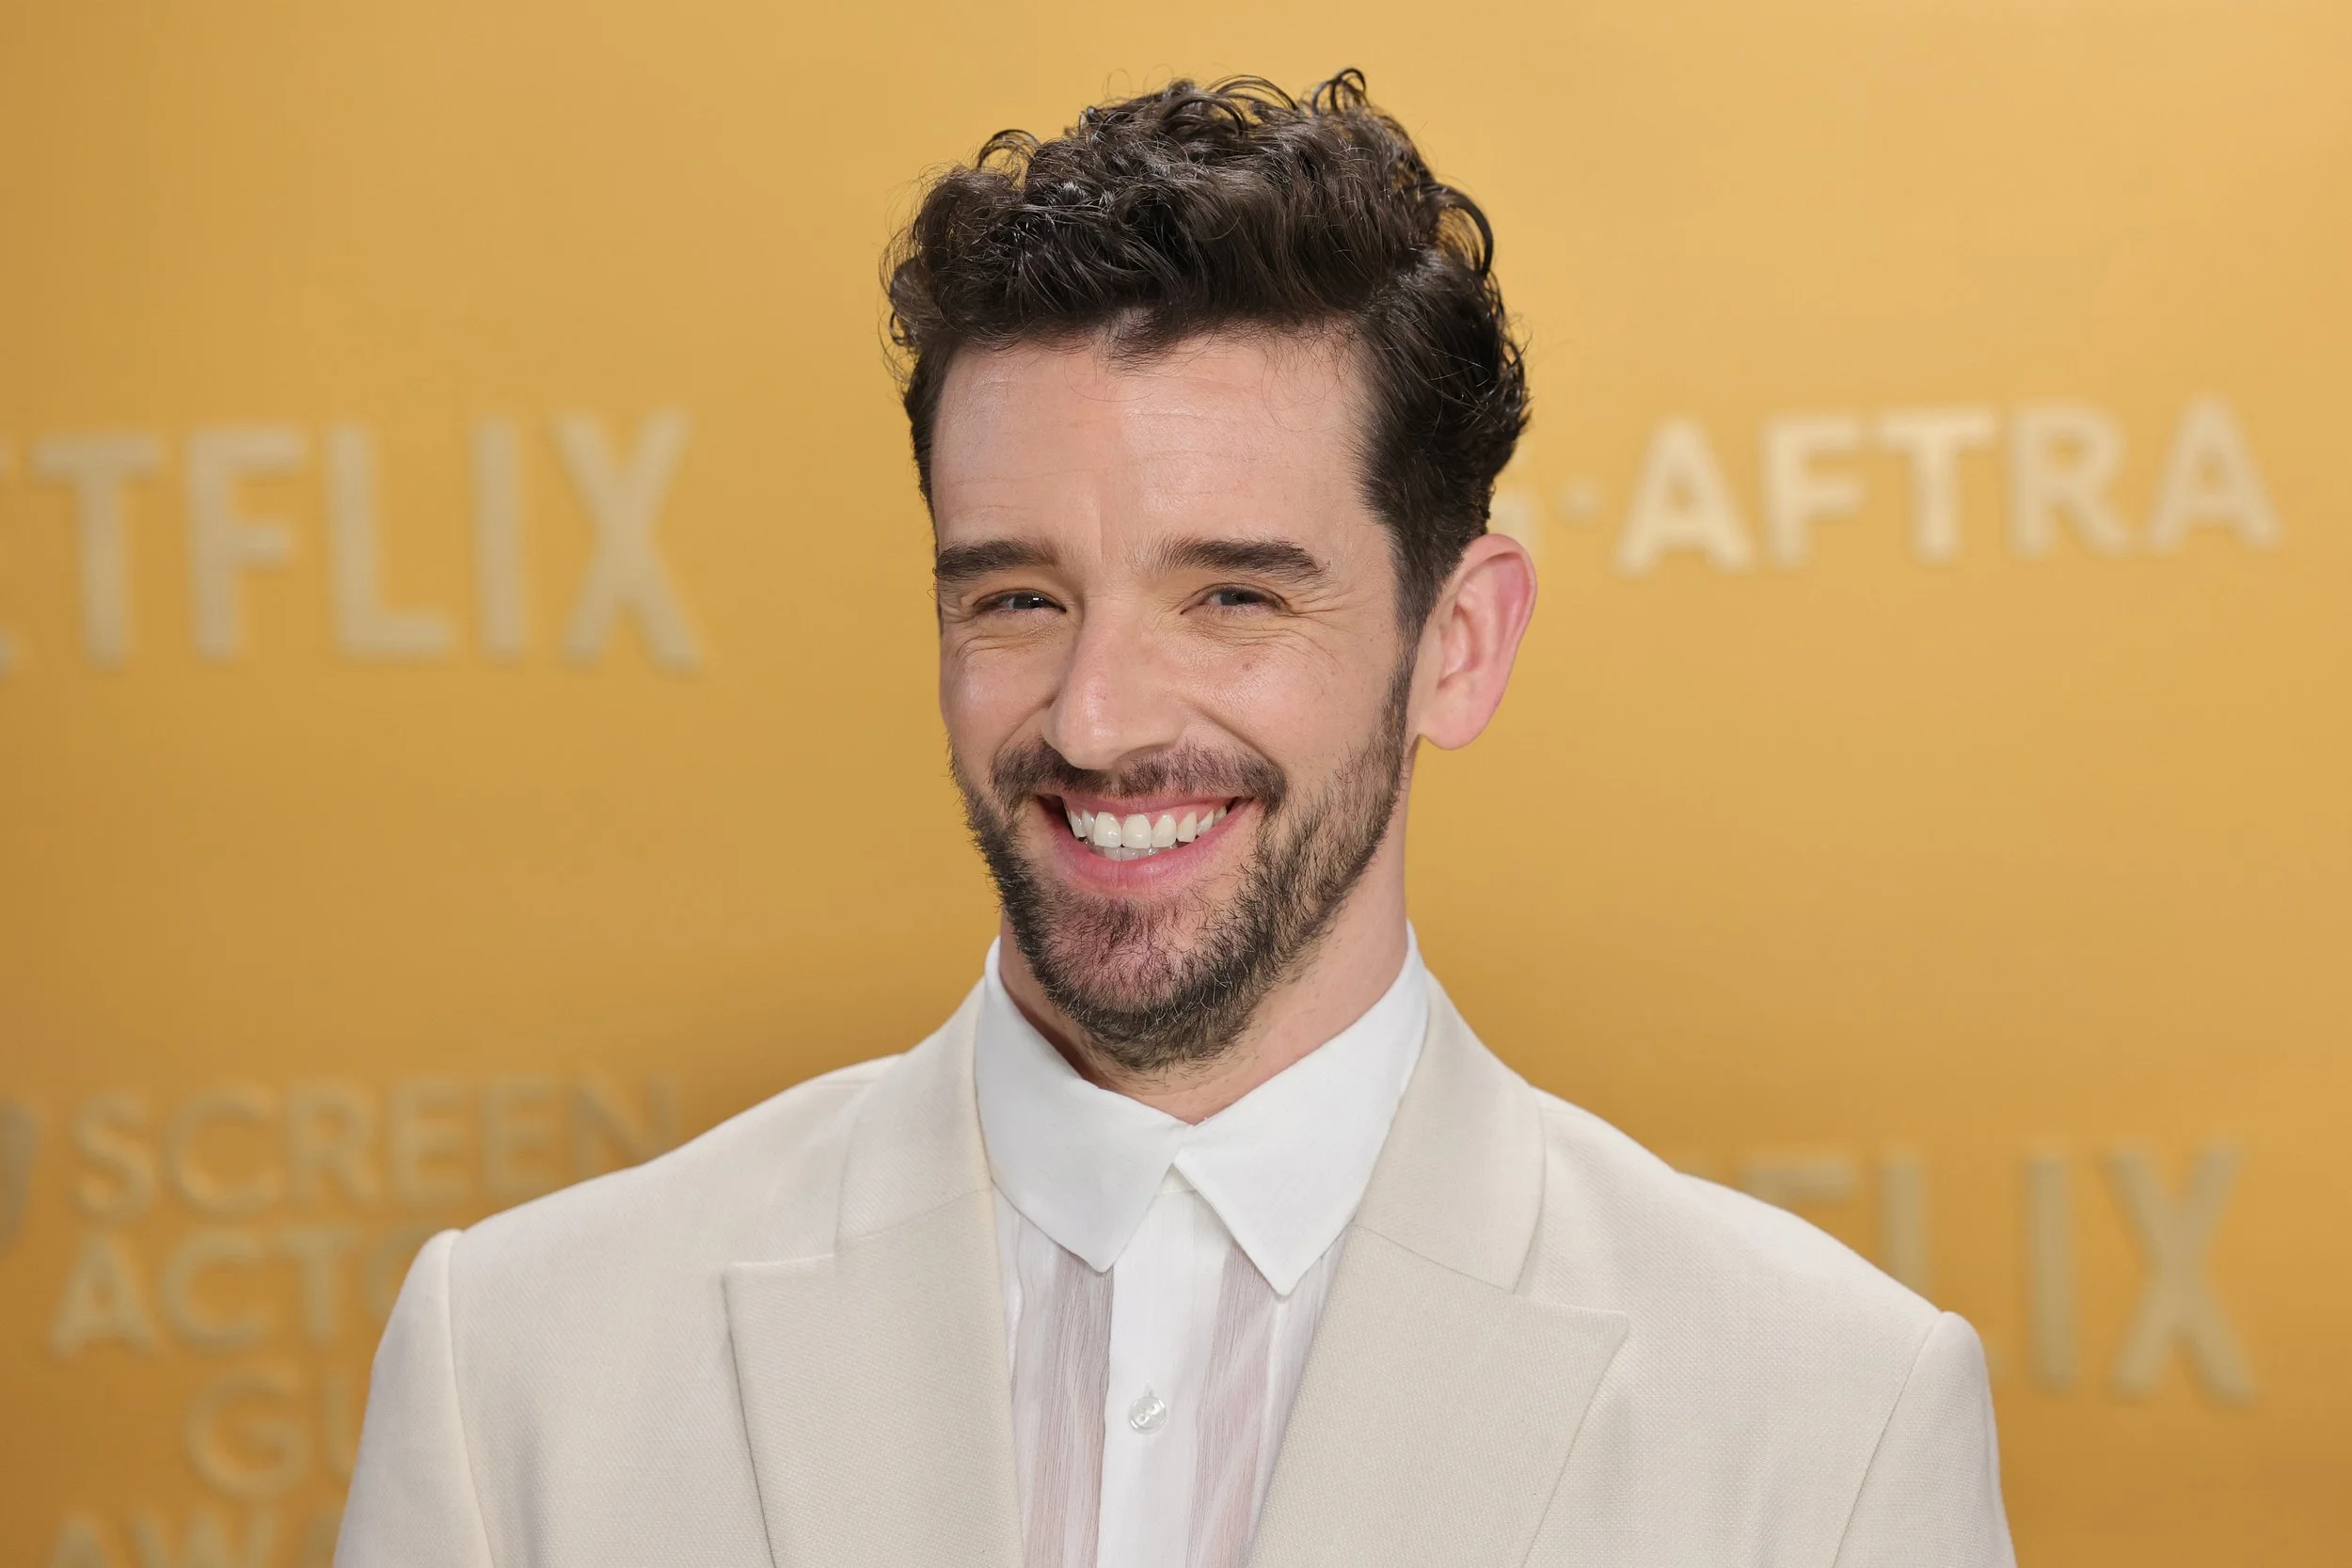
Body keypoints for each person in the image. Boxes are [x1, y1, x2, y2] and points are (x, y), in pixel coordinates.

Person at [338, 71, 2014, 1568]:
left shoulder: (1828, 1420)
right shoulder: (522, 1370)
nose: (1096, 720)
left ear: (1459, 644)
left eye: (1231, 597)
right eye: (1017, 598)